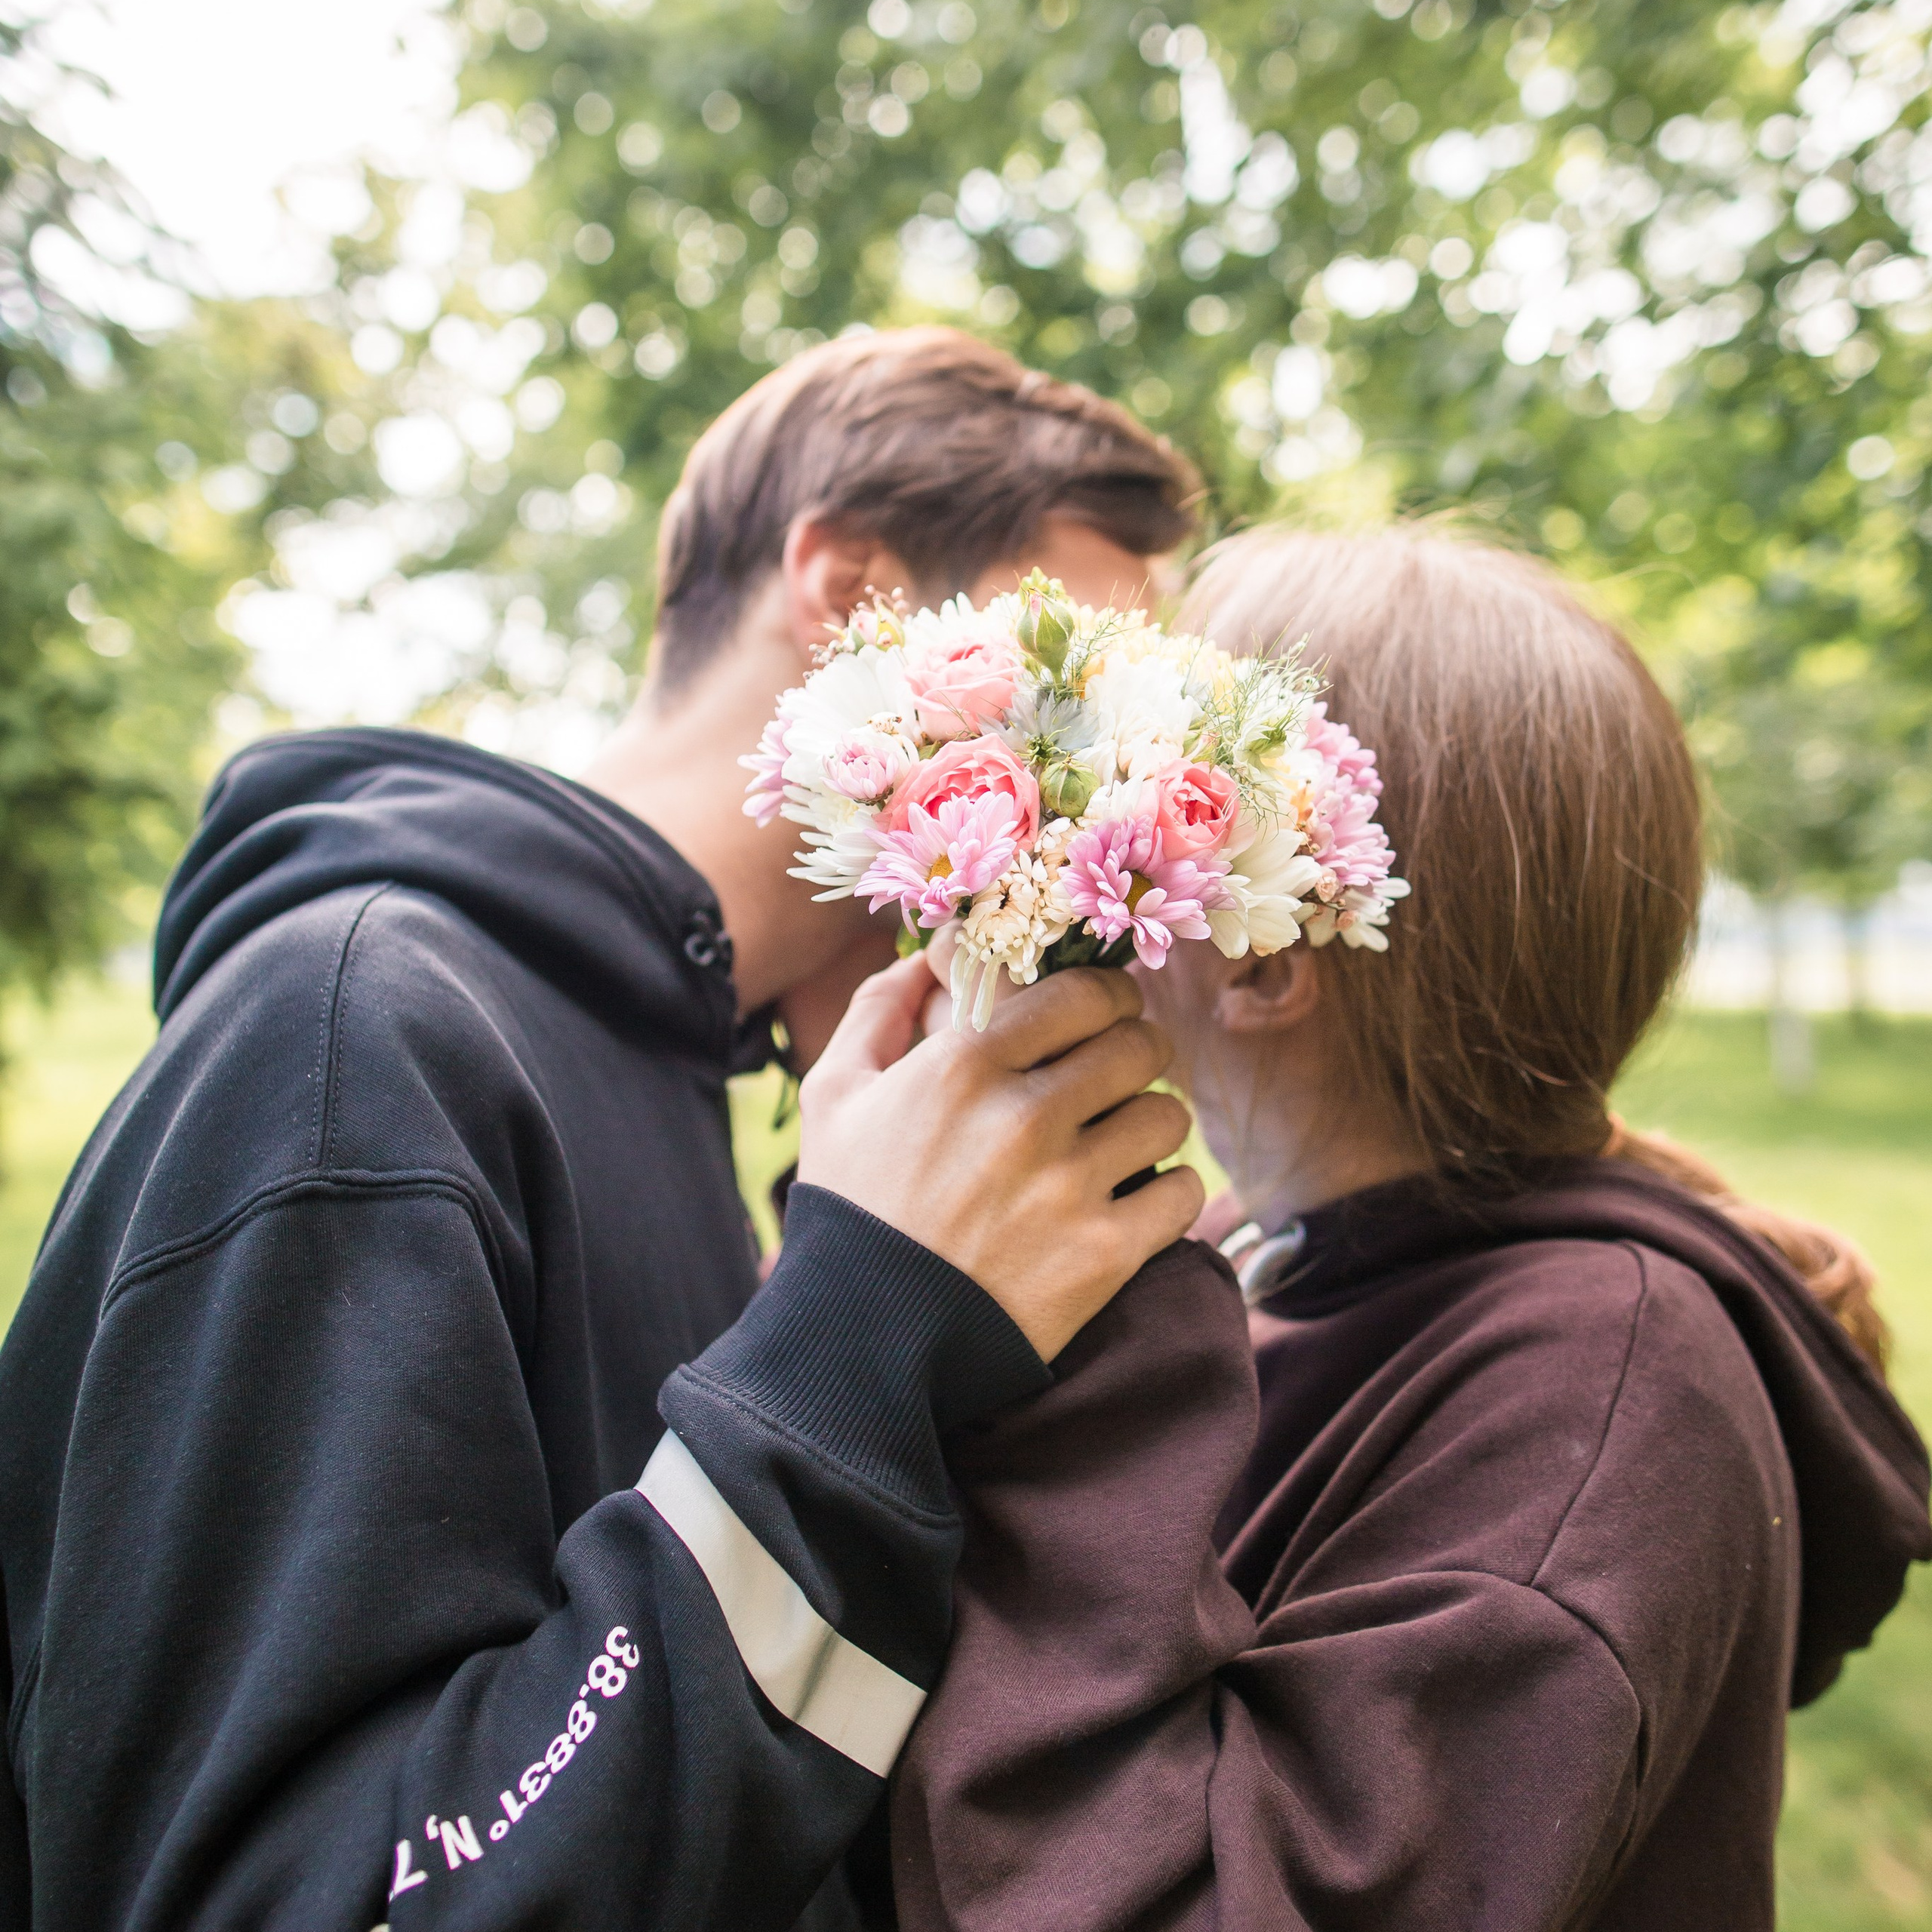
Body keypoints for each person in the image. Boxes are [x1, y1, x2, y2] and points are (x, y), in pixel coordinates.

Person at [0, 328, 1207, 1931]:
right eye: (1067, 707)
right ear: (849, 592)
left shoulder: (676, 1075)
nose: (1101, 812)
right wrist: (862, 1339)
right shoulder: (350, 1036)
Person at [888, 527, 1932, 1931]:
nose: (1071, 858)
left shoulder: (1600, 1405)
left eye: (1128, 809)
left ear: (1264, 954)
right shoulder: (1272, 1248)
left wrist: (1068, 1421)